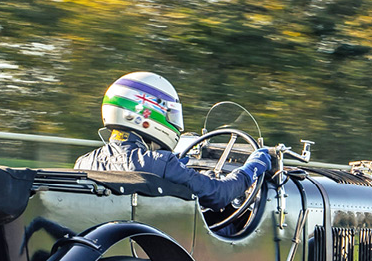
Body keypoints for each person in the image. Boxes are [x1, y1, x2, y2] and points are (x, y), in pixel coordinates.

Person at [74, 72, 272, 210]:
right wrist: (250, 170)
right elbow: (218, 194)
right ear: (148, 115)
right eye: (170, 114)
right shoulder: (161, 163)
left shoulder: (83, 162)